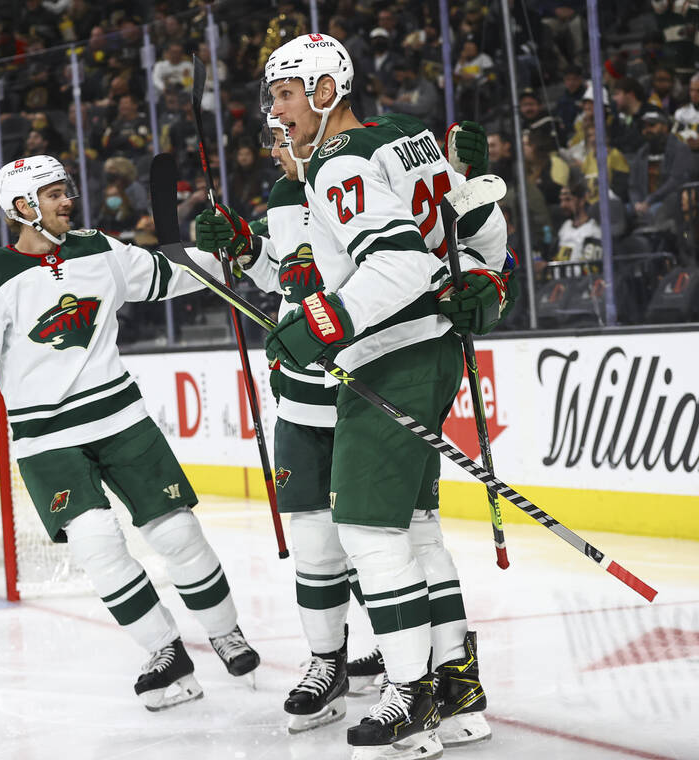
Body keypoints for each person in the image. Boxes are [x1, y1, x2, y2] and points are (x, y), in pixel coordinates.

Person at [0, 155, 261, 711]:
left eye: (66, 190)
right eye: (52, 195)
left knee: (178, 532)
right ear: (22, 209)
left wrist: (230, 256)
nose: (67, 200)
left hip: (121, 419)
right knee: (97, 543)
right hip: (46, 439)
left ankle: (225, 632)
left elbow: (169, 274)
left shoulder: (98, 249)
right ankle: (165, 649)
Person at [194, 112, 493, 736]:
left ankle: (443, 673)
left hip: (367, 372)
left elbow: (410, 259)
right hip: (306, 391)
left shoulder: (358, 167)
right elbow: (289, 278)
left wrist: (470, 204)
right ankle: (328, 663)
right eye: (271, 139)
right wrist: (246, 249)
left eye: (284, 132)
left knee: (405, 535)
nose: (276, 147)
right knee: (318, 541)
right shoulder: (286, 194)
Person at [262, 34, 513, 759]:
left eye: (284, 95)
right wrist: (494, 281)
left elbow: (399, 262)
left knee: (371, 536)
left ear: (323, 89)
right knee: (415, 532)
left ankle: (412, 699)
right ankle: (456, 688)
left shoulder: (339, 163)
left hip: (393, 352)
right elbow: (474, 227)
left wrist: (320, 323)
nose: (277, 113)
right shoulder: (407, 135)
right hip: (432, 346)